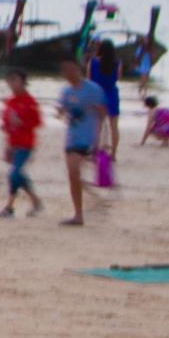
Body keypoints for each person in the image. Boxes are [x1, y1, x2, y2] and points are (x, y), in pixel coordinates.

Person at [55, 58, 104, 226]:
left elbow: (102, 114)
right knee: (72, 173)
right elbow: (60, 110)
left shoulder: (93, 89)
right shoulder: (66, 91)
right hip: (72, 137)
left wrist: (99, 139)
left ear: (78, 69)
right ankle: (78, 214)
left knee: (75, 170)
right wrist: (60, 111)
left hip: (88, 137)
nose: (68, 73)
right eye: (65, 70)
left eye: (71, 69)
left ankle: (81, 210)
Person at [0, 68, 42, 218]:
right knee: (18, 175)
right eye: (9, 80)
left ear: (22, 81)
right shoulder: (10, 101)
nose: (11, 83)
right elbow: (5, 122)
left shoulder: (30, 102)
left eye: (14, 80)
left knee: (14, 174)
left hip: (26, 144)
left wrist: (21, 122)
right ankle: (35, 201)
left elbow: (37, 122)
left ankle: (9, 207)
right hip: (13, 143)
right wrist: (6, 130)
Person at [87, 39, 122, 156]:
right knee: (114, 127)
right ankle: (114, 154)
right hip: (112, 94)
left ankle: (95, 152)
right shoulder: (117, 63)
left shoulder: (93, 63)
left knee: (97, 126)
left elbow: (89, 80)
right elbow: (118, 78)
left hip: (97, 95)